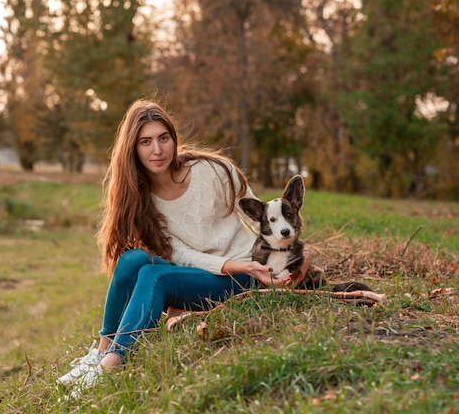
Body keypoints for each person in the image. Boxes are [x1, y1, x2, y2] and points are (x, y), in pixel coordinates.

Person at [56, 98, 296, 400]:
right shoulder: (142, 199)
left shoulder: (214, 171)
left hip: (248, 273)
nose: (157, 150)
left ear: (173, 139)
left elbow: (264, 216)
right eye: (146, 142)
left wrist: (288, 255)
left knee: (155, 277)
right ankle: (100, 351)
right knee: (133, 260)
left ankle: (109, 367)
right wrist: (225, 265)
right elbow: (180, 255)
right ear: (133, 149)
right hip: (202, 273)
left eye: (163, 138)